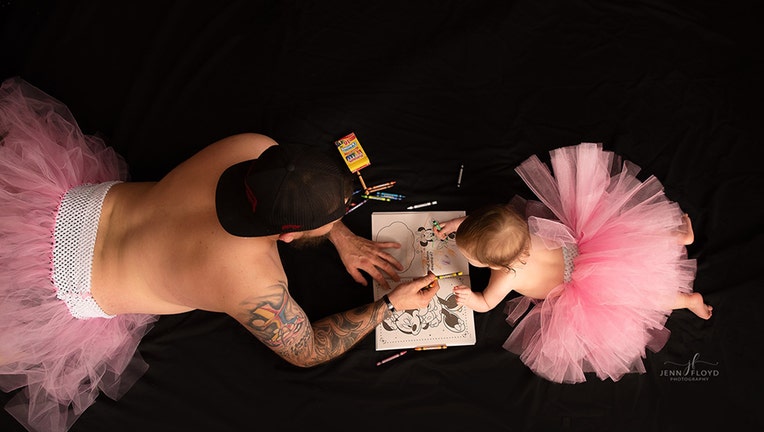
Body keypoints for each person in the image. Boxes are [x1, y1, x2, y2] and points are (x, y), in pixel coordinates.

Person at [0, 77, 439, 432]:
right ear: (286, 238)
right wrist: (390, 305)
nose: (342, 220)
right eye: (330, 222)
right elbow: (305, 349)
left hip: (48, 213)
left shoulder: (252, 149)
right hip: (51, 293)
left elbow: (297, 191)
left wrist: (340, 237)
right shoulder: (251, 281)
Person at [433, 142, 712, 384]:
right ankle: (676, 235)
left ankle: (688, 301)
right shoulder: (521, 228)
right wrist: (462, 224)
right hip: (591, 248)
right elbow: (490, 227)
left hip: (586, 288)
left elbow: (486, 303)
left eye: (469, 256)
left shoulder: (506, 277)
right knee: (627, 235)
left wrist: (471, 297)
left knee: (640, 298)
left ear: (493, 265)